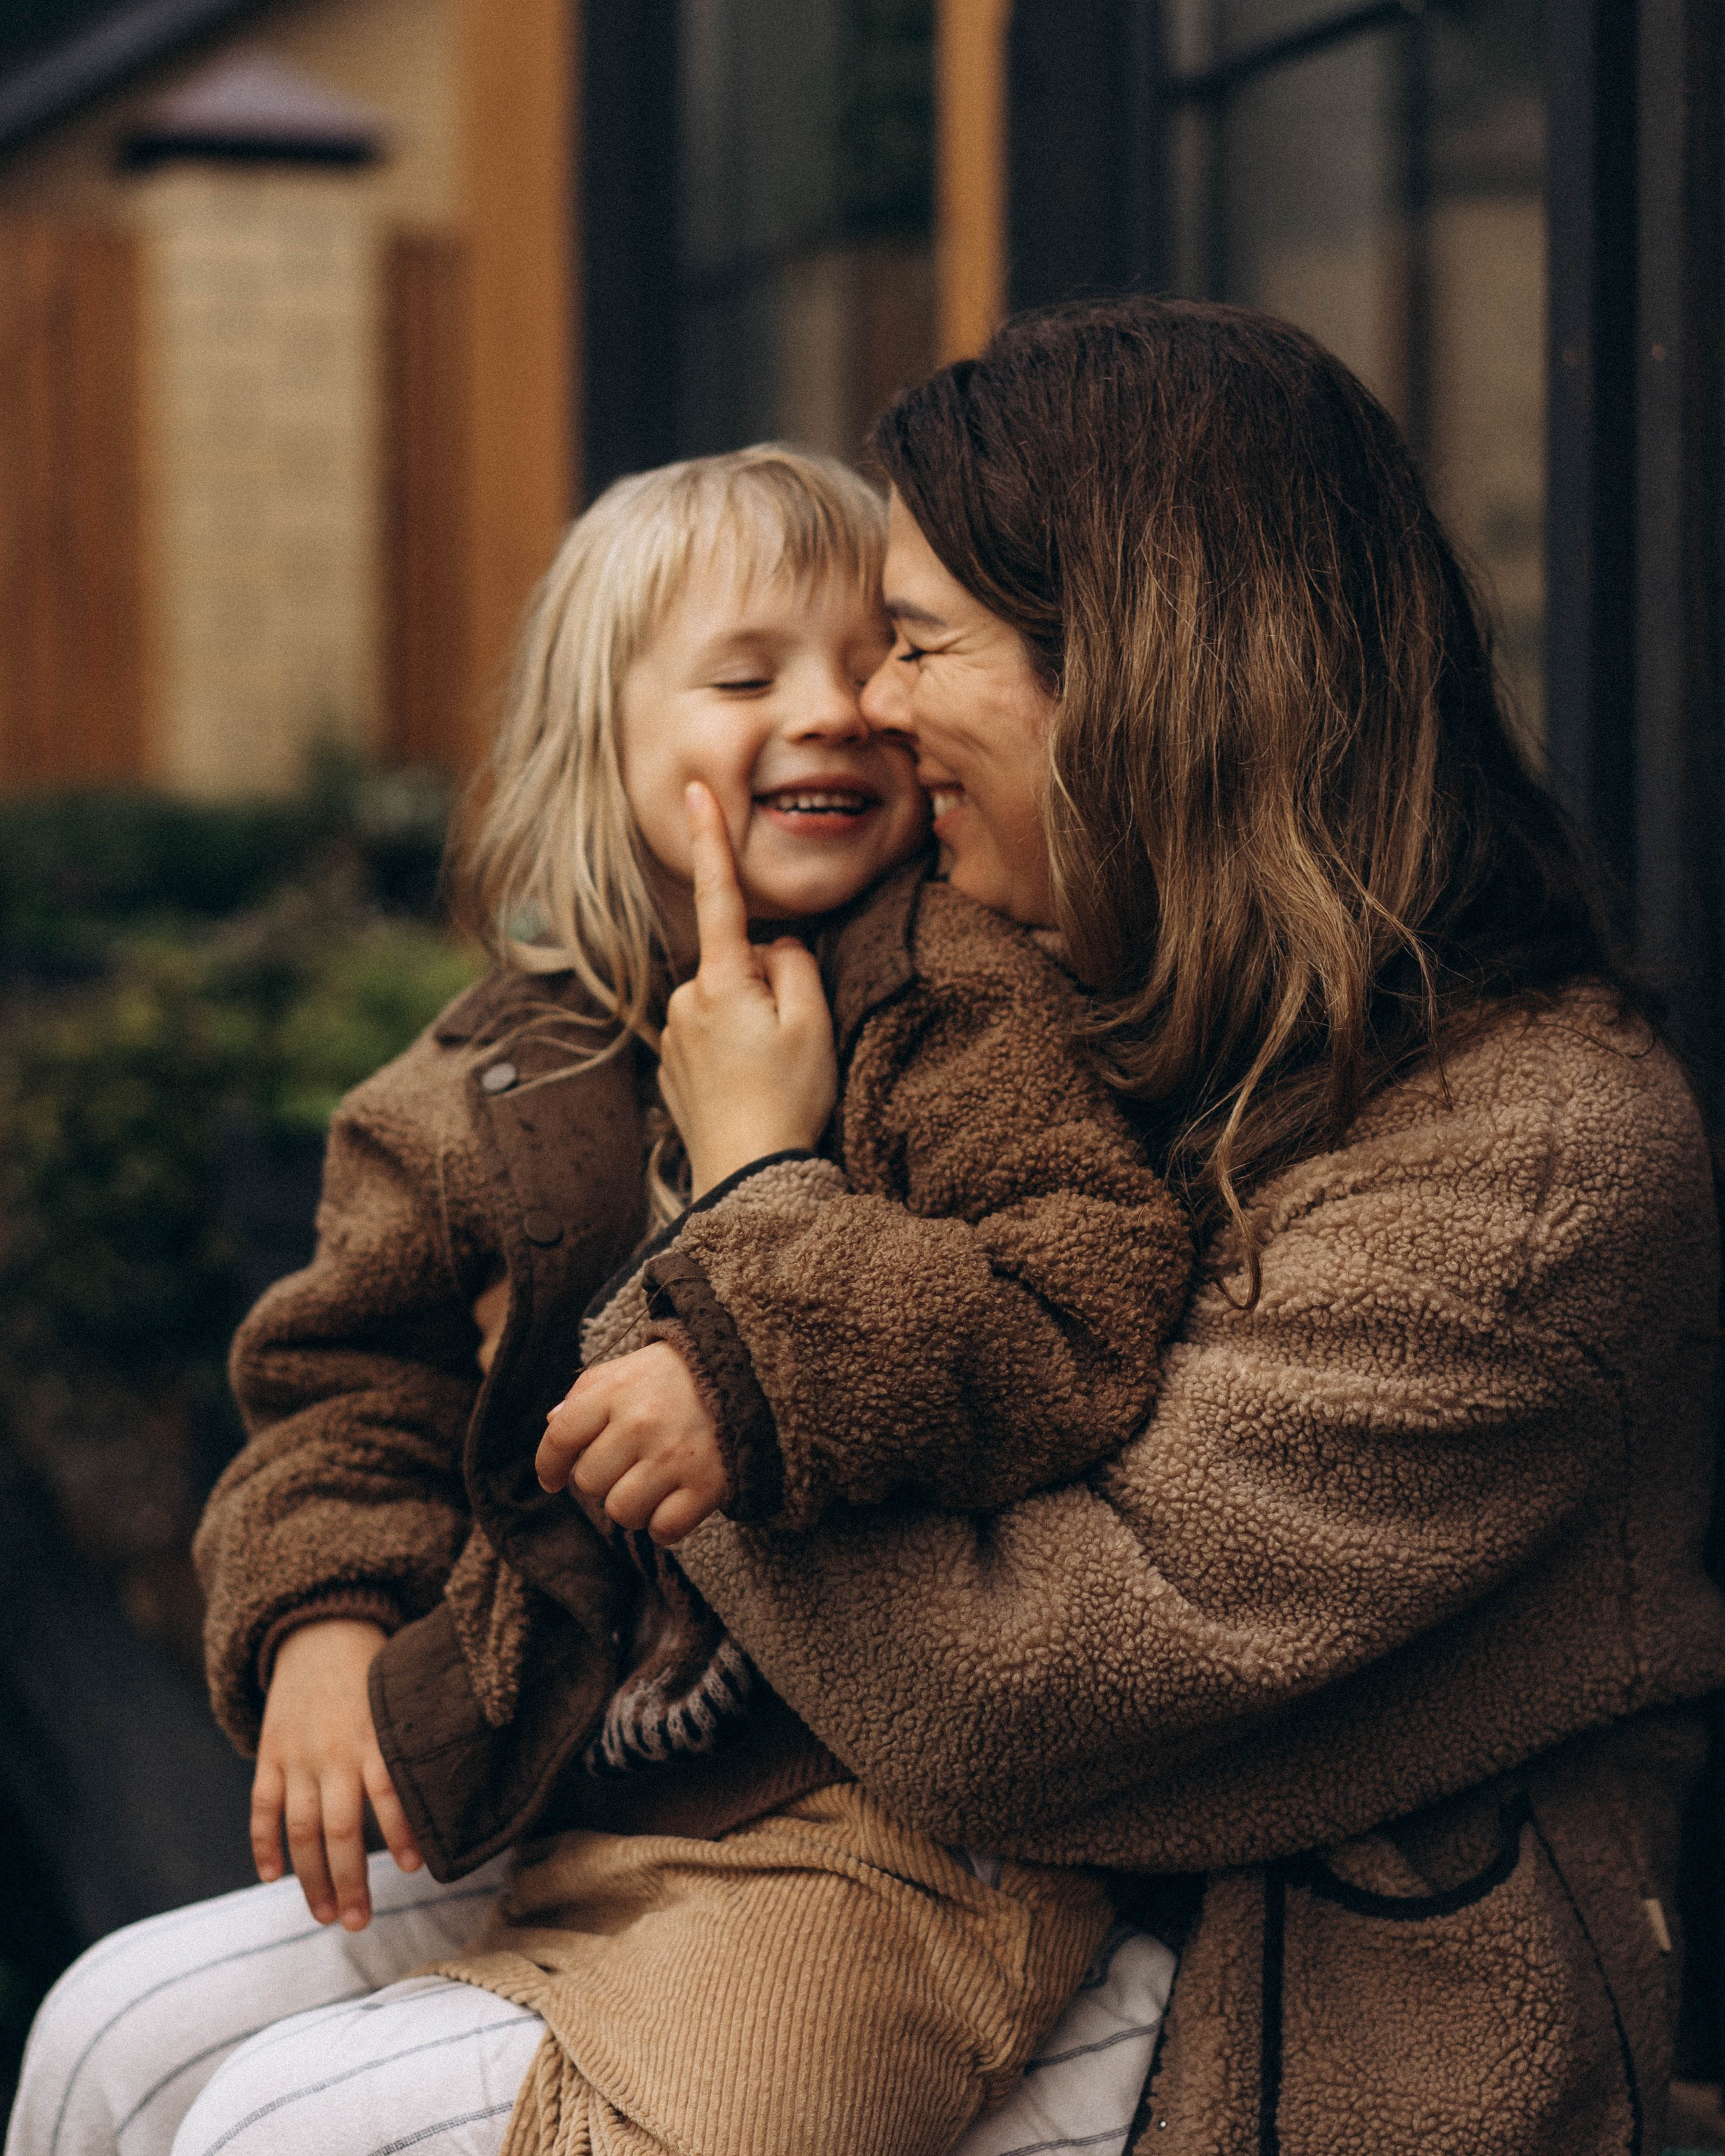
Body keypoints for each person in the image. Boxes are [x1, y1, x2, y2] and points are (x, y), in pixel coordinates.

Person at [505, 298, 1725, 2155]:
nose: (869, 709)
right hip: (965, 1906)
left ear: (1147, 669)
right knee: (127, 2031)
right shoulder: (1105, 1012)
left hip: (1308, 2021)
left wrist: (749, 1205)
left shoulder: (1540, 1166)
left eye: (914, 642)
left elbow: (1000, 1700)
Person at [7, 441, 1190, 2156]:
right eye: (743, 674)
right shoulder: (511, 1058)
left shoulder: (958, 1006)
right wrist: (327, 1620)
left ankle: (1096, 2035)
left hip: (861, 1824)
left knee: (273, 2131)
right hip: (560, 1763)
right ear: (603, 738)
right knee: (108, 2031)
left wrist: (757, 1338)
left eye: (868, 661)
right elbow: (351, 1377)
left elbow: (1080, 1303)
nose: (836, 710)